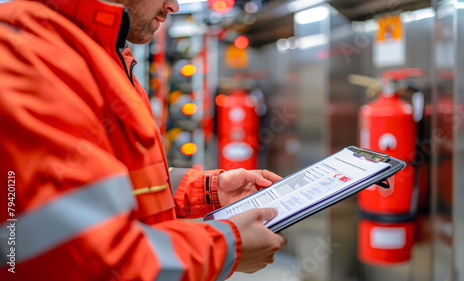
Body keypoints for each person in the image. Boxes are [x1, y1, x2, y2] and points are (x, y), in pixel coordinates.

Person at [0, 0, 287, 280]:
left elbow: (125, 180)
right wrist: (227, 246)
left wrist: (208, 191)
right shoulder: (25, 52)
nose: (174, 6)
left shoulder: (107, 53)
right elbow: (94, 261)